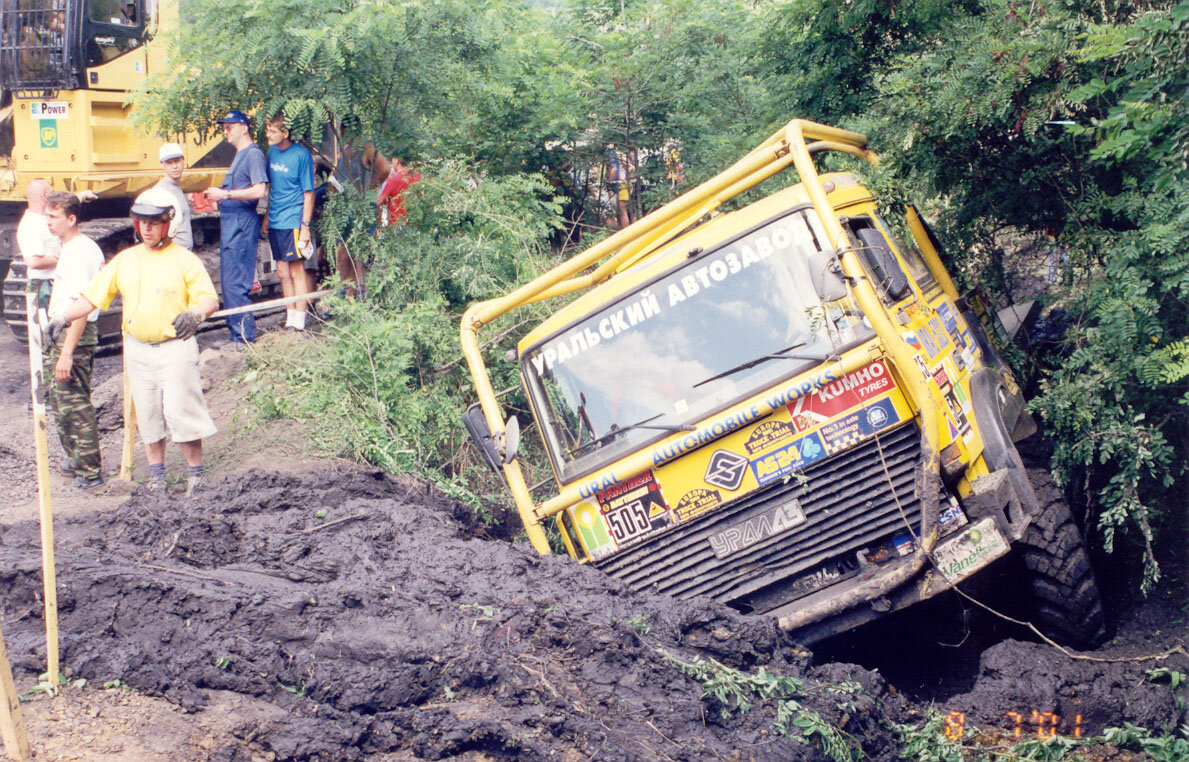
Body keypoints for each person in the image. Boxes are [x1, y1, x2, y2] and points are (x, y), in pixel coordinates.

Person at [49, 189, 219, 498]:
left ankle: (197, 476)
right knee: (149, 414)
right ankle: (157, 478)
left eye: (154, 223)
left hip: (175, 347)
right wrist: (62, 316)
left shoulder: (185, 261)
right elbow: (91, 297)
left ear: (167, 225)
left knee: (182, 411)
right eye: (142, 223)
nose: (148, 229)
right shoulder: (125, 261)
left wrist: (196, 313)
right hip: (138, 349)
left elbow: (209, 298)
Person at [43, 191, 105, 489]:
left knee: (75, 403)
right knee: (60, 400)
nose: (48, 222)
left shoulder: (81, 251)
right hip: (64, 333)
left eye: (54, 217)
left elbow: (83, 306)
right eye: (47, 215)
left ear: (71, 218)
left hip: (75, 336)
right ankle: (76, 457)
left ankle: (90, 472)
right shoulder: (70, 248)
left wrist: (67, 352)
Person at [204, 111, 266, 346]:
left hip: (241, 224)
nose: (225, 132)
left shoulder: (253, 154)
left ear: (244, 127)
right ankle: (235, 335)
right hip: (232, 224)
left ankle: (243, 338)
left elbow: (259, 190)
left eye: (229, 127)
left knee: (237, 282)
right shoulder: (240, 154)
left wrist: (225, 194)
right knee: (230, 283)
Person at [264, 115, 315, 331]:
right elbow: (271, 188)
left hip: (293, 220)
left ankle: (301, 321)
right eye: (268, 130)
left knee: (296, 271)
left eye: (273, 131)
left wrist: (305, 226)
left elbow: (309, 194)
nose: (268, 135)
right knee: (282, 273)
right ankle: (289, 318)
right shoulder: (272, 152)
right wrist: (267, 215)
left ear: (286, 133)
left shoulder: (301, 156)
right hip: (275, 219)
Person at [333, 138, 390, 298]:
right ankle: (348, 295)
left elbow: (385, 169)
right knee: (344, 253)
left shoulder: (367, 147)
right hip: (346, 210)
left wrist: (369, 189)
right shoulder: (344, 150)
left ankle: (363, 296)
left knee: (359, 254)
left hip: (363, 210)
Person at [17, 179, 61, 310]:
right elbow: (33, 262)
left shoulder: (43, 219)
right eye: (52, 193)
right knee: (46, 329)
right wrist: (64, 258)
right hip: (44, 288)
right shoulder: (32, 224)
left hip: (52, 284)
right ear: (45, 196)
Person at [154, 142, 194, 251]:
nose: (174, 166)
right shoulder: (161, 191)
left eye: (177, 161)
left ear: (183, 161)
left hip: (182, 255)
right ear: (162, 165)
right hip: (172, 256)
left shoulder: (176, 187)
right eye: (169, 163)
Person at [377, 159, 420, 226]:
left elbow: (379, 202)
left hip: (398, 226)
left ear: (396, 161)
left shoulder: (392, 180)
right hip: (418, 225)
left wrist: (379, 222)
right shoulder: (420, 177)